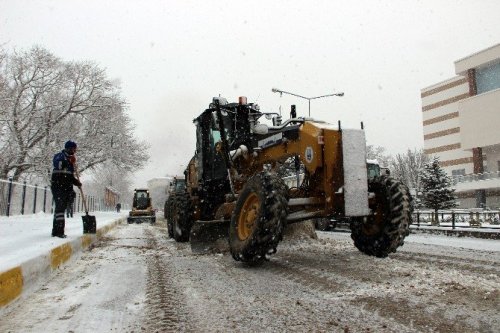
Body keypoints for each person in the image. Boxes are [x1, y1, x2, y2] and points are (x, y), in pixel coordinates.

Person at [51, 140, 82, 238]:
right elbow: (58, 165)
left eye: (75, 149)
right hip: (58, 186)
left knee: (61, 208)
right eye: (73, 149)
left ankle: (55, 231)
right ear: (68, 148)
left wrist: (77, 182)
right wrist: (68, 161)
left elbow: (69, 176)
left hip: (67, 187)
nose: (74, 151)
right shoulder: (60, 156)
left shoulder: (71, 160)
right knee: (60, 208)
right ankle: (59, 231)